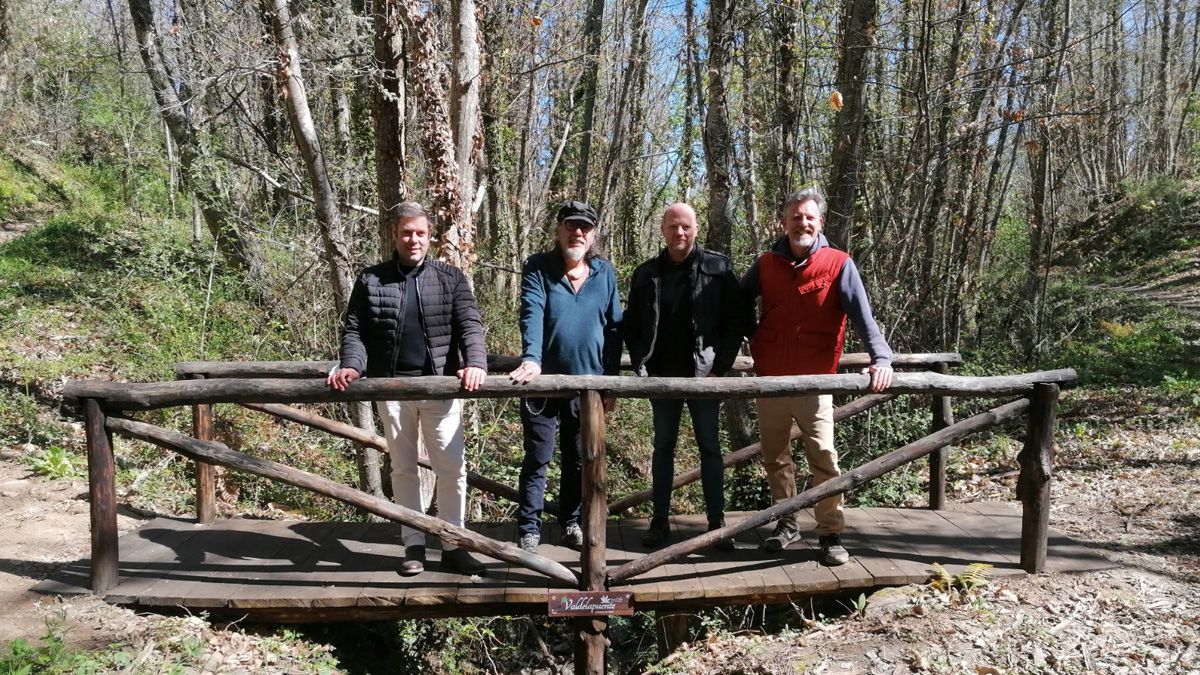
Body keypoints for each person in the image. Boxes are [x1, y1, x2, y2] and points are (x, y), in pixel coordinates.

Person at [328, 201, 488, 577]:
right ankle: (412, 544)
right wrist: (352, 364)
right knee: (402, 468)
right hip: (392, 387)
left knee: (452, 469)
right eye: (406, 233)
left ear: (429, 236)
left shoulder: (450, 277)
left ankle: (454, 544)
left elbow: (470, 324)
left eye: (420, 233)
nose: (413, 240)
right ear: (394, 235)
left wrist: (476, 363)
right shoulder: (371, 279)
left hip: (440, 388)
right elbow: (355, 330)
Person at [741, 187, 893, 566]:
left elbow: (863, 316)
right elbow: (735, 306)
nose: (802, 223)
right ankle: (786, 523)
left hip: (816, 381)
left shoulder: (839, 263)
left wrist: (882, 359)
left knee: (823, 458)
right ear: (784, 222)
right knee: (775, 459)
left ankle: (830, 534)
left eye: (809, 217)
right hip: (771, 380)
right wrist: (749, 341)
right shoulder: (765, 264)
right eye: (795, 217)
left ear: (820, 223)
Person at [624, 203, 747, 551]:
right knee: (663, 447)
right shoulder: (646, 273)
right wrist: (640, 365)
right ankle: (659, 521)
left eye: (686, 227)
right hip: (661, 377)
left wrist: (720, 368)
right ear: (663, 230)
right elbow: (631, 324)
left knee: (710, 447)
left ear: (696, 228)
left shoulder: (717, 268)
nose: (680, 233)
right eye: (673, 227)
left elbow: (736, 320)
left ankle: (716, 524)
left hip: (705, 377)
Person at [508, 201, 623, 553]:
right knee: (538, 456)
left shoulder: (604, 273)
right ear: (558, 231)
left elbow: (615, 327)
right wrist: (532, 357)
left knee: (578, 458)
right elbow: (532, 310)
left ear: (592, 236)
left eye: (585, 228)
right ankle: (529, 528)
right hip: (543, 384)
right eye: (571, 226)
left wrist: (611, 382)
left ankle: (571, 522)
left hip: (587, 388)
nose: (578, 232)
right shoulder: (539, 267)